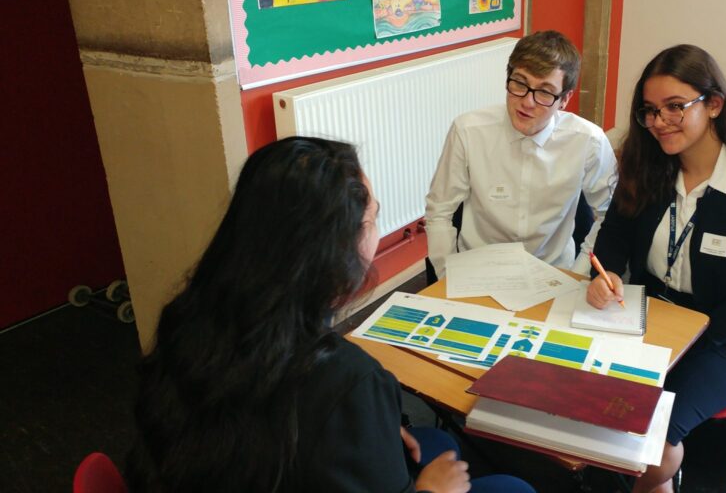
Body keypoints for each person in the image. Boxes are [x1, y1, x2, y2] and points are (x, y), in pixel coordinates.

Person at [126, 137, 534, 493]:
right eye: (374, 215)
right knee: (510, 487)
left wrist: (362, 425)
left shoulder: (189, 316)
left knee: (433, 444)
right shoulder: (347, 379)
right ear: (337, 251)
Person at [585, 45, 726, 493]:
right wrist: (603, 278)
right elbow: (615, 236)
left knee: (655, 437)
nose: (659, 122)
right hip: (656, 318)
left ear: (714, 105)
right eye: (650, 111)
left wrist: (681, 344)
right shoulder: (648, 164)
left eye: (675, 107)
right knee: (583, 399)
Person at [425, 30, 617, 277]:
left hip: (553, 271)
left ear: (565, 99)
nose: (527, 102)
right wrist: (447, 276)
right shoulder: (468, 131)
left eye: (545, 92)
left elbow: (610, 216)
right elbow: (439, 210)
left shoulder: (589, 142)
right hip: (478, 271)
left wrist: (579, 274)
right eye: (520, 83)